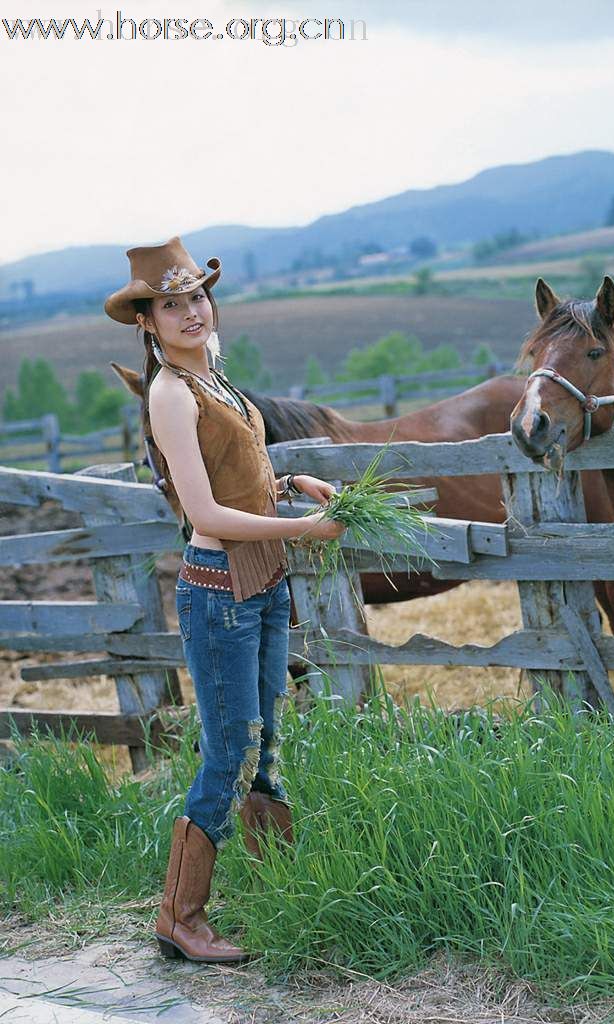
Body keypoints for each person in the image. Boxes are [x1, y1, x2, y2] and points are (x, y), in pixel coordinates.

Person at [104, 237, 345, 964]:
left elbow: (238, 479)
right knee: (228, 750)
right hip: (218, 595)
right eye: (170, 304)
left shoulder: (218, 382)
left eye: (196, 297)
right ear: (146, 322)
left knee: (268, 734)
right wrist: (303, 529)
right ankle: (179, 915)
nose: (189, 312)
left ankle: (278, 886)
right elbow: (203, 516)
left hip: (263, 581)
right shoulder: (171, 395)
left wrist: (292, 484)